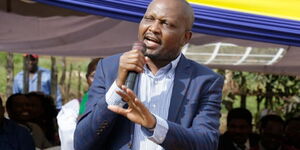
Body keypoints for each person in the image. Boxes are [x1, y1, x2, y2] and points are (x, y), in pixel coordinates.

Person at [74, 0, 224, 149]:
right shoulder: (109, 68)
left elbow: (206, 144)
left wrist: (154, 125)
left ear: (185, 37)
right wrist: (117, 87)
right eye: (149, 19)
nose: (153, 28)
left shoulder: (204, 81)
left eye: (166, 24)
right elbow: (82, 143)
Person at [57, 58, 100, 150]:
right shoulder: (73, 108)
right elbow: (69, 142)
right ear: (87, 78)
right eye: (94, 76)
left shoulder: (119, 104)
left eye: (103, 76)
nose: (98, 80)